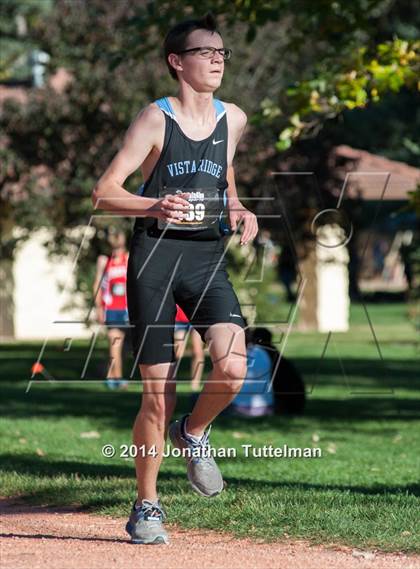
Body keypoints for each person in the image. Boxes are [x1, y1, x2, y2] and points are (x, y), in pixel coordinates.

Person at [92, 13, 258, 545]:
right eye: (205, 51)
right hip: (155, 259)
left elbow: (225, 173)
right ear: (176, 61)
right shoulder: (154, 120)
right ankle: (147, 505)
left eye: (221, 52)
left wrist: (238, 206)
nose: (216, 59)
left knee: (233, 368)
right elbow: (104, 192)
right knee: (157, 395)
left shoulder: (234, 118)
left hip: (206, 257)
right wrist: (154, 204)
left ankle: (194, 432)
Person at [93, 228, 130, 389]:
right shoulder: (104, 260)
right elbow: (97, 285)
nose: (115, 238)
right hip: (112, 309)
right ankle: (118, 379)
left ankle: (110, 375)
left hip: (127, 309)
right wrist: (98, 308)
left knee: (123, 346)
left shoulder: (128, 258)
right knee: (115, 342)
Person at [174, 304, 205, 391]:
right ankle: (171, 380)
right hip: (179, 318)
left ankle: (195, 384)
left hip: (197, 317)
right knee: (178, 353)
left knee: (197, 351)